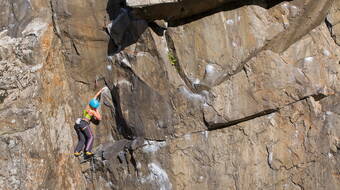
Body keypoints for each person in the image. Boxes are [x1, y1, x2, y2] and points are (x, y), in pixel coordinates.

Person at [74, 88, 105, 157]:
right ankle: (88, 150)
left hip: (78, 124)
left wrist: (100, 91)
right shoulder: (92, 111)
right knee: (91, 137)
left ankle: (77, 151)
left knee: (82, 139)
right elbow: (99, 118)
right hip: (84, 124)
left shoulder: (87, 106)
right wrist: (96, 109)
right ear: (94, 106)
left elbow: (94, 98)